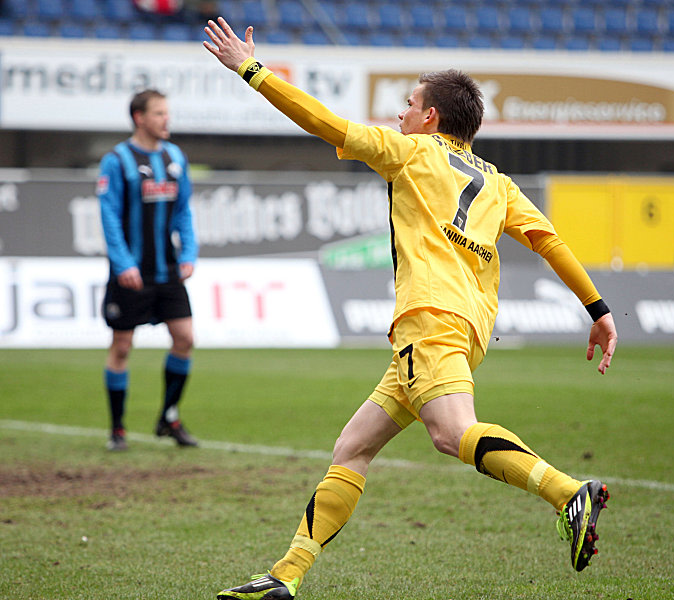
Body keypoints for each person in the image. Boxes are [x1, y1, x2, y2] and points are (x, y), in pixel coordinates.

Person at [204, 17, 618, 599]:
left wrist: (250, 70)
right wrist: (597, 308)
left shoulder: (411, 152)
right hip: (464, 326)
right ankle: (284, 577)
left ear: (432, 118)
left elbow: (325, 123)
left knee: (452, 434)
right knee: (352, 448)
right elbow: (548, 240)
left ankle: (565, 492)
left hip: (429, 319)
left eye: (408, 104)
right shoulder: (497, 182)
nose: (399, 113)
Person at [97, 89, 199, 451]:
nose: (165, 119)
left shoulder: (175, 157)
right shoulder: (117, 160)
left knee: (185, 338)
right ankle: (118, 429)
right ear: (140, 118)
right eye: (158, 113)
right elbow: (108, 215)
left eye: (166, 113)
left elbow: (184, 210)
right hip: (131, 273)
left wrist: (189, 252)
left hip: (167, 270)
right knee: (122, 346)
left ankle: (169, 417)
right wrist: (123, 263)